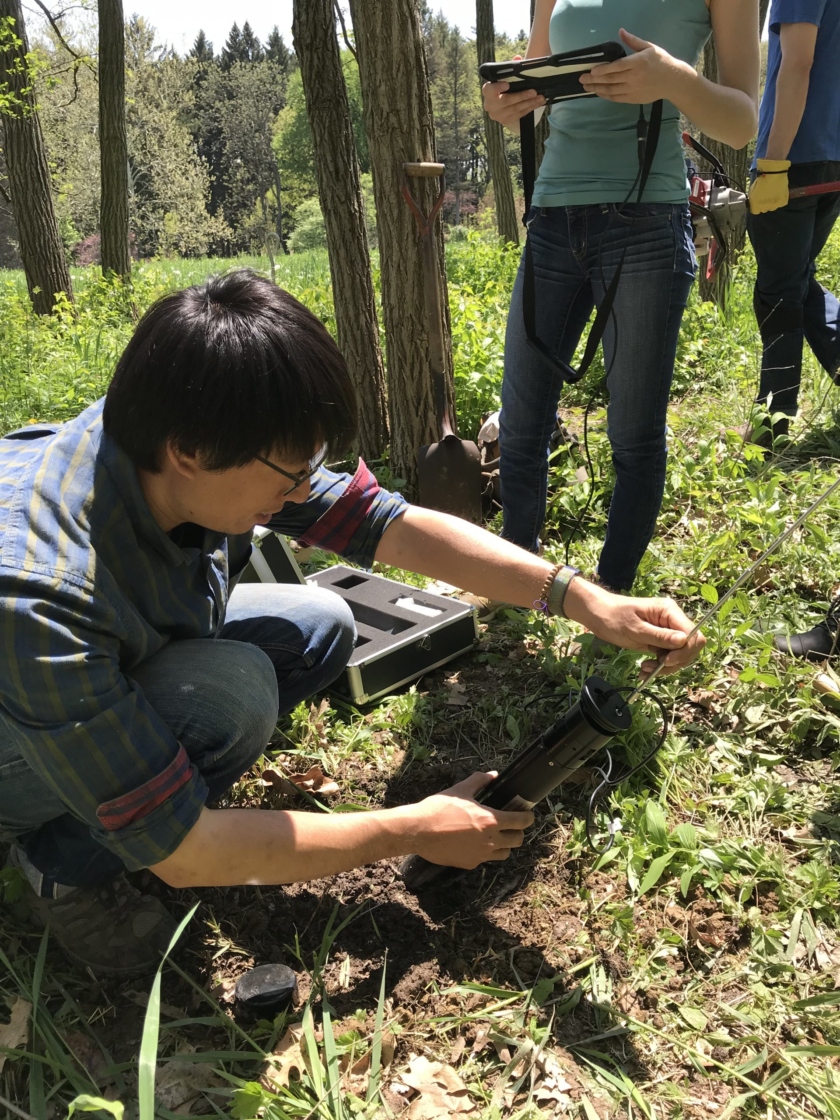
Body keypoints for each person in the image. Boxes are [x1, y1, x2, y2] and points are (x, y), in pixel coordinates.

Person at [0, 272, 705, 976]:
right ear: (188, 453)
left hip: (84, 661)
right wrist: (412, 829)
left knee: (318, 623)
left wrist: (583, 598)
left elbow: (391, 526)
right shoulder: (45, 595)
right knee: (230, 692)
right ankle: (61, 865)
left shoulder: (175, 431)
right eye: (290, 472)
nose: (304, 491)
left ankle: (134, 782)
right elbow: (183, 855)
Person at [483, 0, 759, 591]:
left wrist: (675, 80)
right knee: (522, 421)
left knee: (633, 432)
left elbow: (742, 121)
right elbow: (533, 88)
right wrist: (506, 104)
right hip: (553, 217)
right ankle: (516, 577)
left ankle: (612, 598)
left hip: (648, 223)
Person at [745, 0, 840, 445]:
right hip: (833, 157)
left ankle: (772, 427)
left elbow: (798, 63)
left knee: (778, 295)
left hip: (795, 158)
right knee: (797, 281)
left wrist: (773, 166)